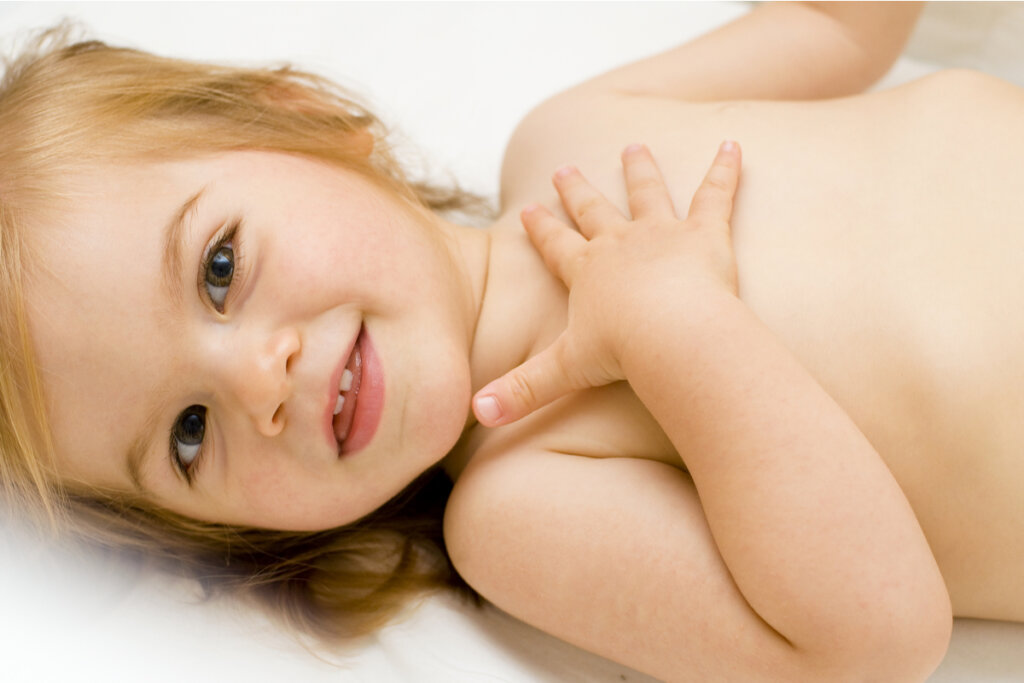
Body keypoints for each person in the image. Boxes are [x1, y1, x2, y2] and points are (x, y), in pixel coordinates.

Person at [3, 1, 1021, 679]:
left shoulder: (574, 132)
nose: (252, 382)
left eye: (219, 267)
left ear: (301, 115)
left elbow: (829, 26)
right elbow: (874, 638)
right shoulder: (519, 503)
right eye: (187, 433)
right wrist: (680, 326)